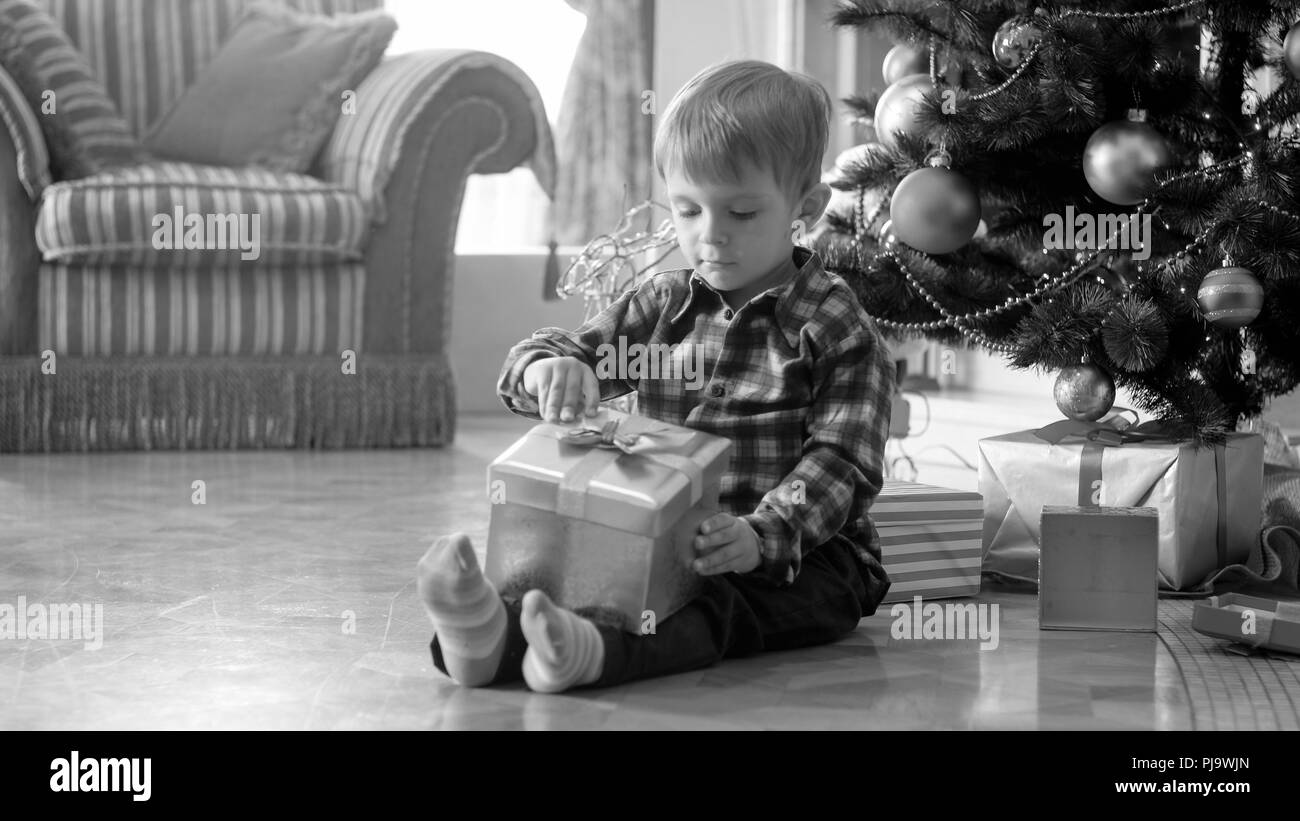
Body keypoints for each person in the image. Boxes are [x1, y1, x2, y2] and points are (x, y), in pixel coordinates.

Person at [418, 59, 895, 693]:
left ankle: (597, 656)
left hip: (805, 554)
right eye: (689, 210)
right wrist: (549, 371)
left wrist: (764, 533)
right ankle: (485, 640)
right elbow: (564, 350)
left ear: (803, 207)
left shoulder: (835, 326)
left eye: (742, 214)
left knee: (713, 608)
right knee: (563, 578)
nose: (710, 236)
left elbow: (844, 461)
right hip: (660, 535)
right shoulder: (662, 305)